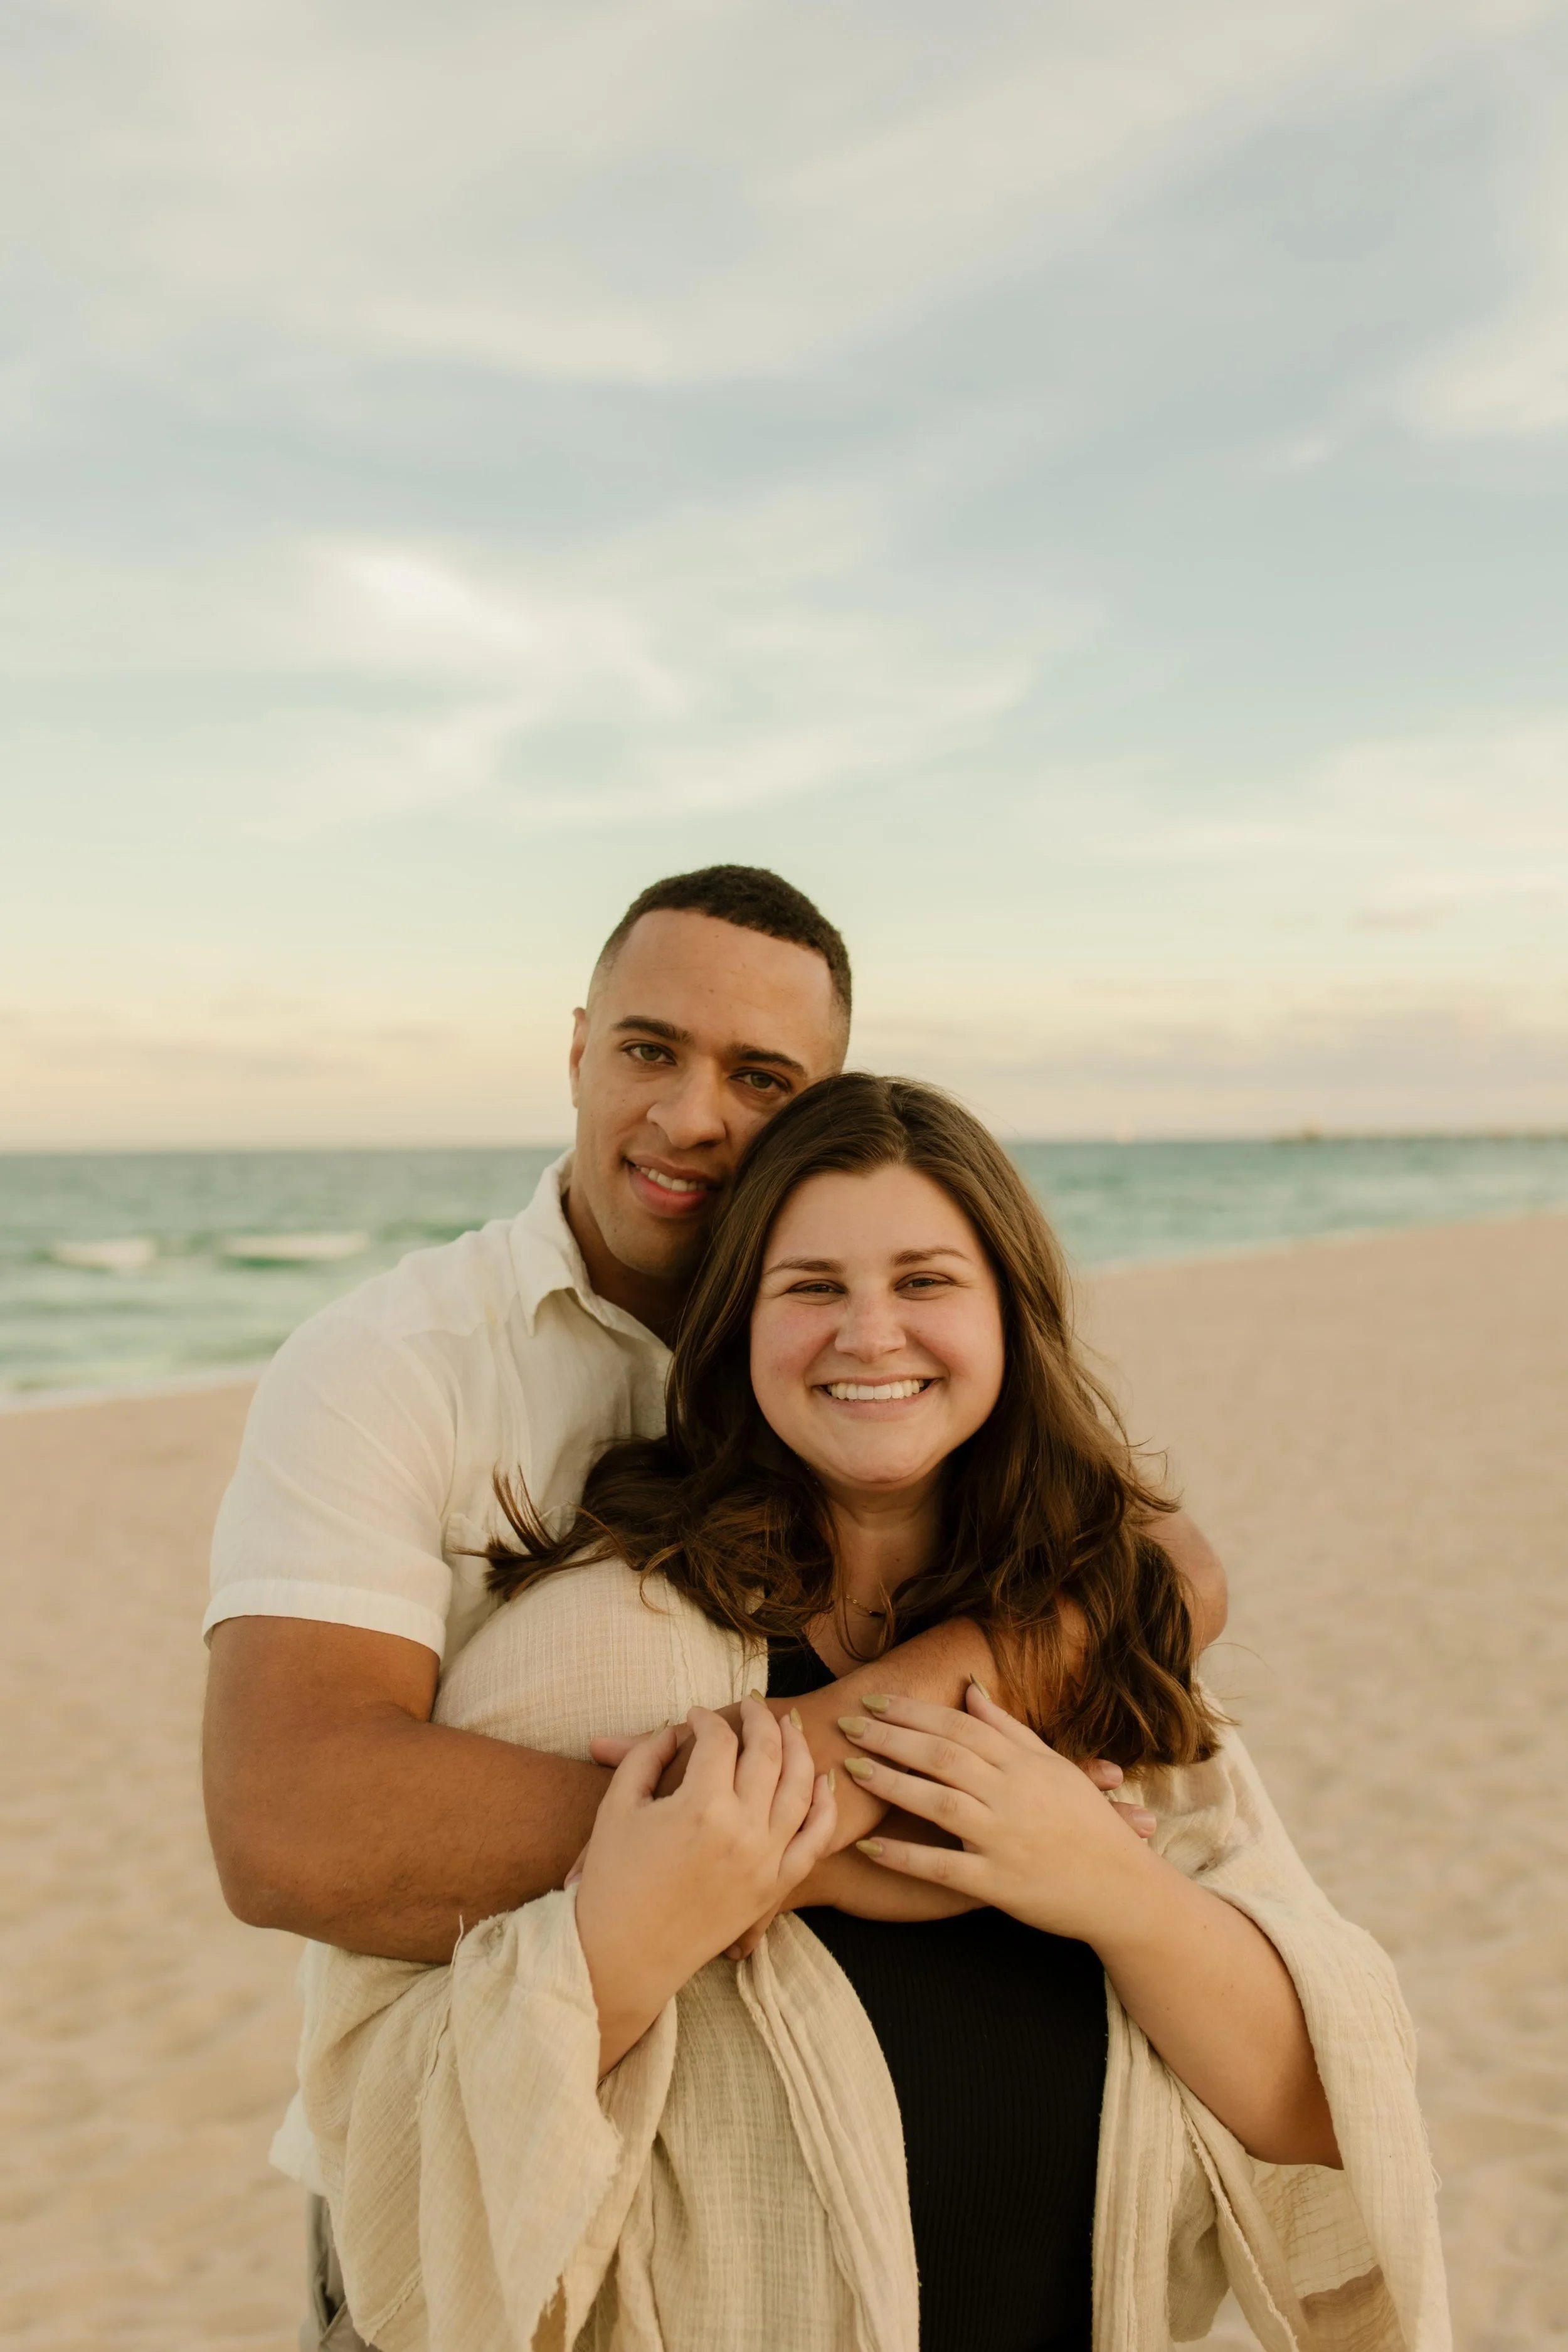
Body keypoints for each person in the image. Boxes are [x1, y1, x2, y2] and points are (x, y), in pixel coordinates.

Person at [201, 867, 1225, 2337]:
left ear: (824, 1103)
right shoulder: (392, 1365)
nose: (691, 1116)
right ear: (574, 1050)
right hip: (485, 2167)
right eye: (647, 1051)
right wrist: (797, 1839)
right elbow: (289, 1823)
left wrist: (893, 1736)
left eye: (758, 1076)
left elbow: (1167, 1569)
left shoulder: (849, 1338)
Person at [299, 1074, 1446, 2352]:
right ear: (737, 1323)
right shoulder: (590, 1642)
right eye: (811, 1289)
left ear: (1010, 1315)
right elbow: (396, 2170)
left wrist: (1096, 1882)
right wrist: (673, 1916)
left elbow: (1323, 2109)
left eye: (923, 1281)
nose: (868, 1334)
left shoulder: (1086, 1649)